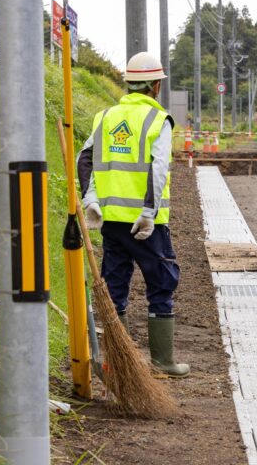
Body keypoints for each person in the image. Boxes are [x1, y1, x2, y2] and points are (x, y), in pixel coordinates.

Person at [77, 51, 189, 378]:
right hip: (145, 225)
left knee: (114, 286)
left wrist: (91, 200)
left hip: (110, 221)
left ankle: (117, 362)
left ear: (128, 84)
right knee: (162, 282)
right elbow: (158, 169)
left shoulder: (106, 117)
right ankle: (163, 362)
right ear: (155, 86)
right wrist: (149, 213)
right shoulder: (158, 120)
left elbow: (85, 159)